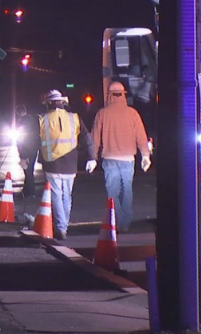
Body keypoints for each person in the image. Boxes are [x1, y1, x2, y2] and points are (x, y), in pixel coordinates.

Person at [25, 89, 96, 240]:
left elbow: (33, 142)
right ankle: (63, 225)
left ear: (48, 104)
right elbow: (87, 137)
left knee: (56, 195)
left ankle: (61, 227)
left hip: (52, 164)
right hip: (70, 164)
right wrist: (91, 157)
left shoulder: (42, 119)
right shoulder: (74, 118)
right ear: (63, 103)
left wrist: (25, 158)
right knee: (66, 195)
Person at [91, 82, 152, 233]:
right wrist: (145, 155)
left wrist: (92, 157)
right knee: (127, 190)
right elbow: (141, 136)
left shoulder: (102, 114)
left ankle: (117, 220)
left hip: (110, 158)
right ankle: (125, 221)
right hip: (128, 159)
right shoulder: (132, 113)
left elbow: (95, 139)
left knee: (112, 192)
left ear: (109, 95)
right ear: (124, 94)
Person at [15, 104, 36, 198]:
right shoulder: (32, 121)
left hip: (26, 151)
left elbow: (22, 140)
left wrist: (23, 155)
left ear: (19, 113)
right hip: (33, 151)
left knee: (28, 171)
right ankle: (27, 190)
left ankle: (30, 192)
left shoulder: (22, 123)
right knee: (29, 170)